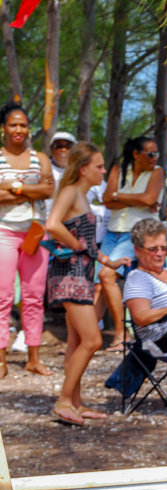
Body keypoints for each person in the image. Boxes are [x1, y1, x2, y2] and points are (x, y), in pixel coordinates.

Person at [43, 142, 128, 424]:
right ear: (84, 169)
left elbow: (89, 244)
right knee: (92, 340)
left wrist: (110, 262)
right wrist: (75, 244)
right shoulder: (69, 192)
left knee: (77, 341)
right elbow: (52, 224)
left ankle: (76, 403)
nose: (104, 170)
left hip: (81, 273)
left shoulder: (81, 196)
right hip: (69, 275)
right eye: (99, 166)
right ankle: (64, 401)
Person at [0, 101, 55, 379]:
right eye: (13, 124)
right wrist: (30, 191)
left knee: (34, 297)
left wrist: (14, 187)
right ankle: (1, 360)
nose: (18, 129)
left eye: (23, 124)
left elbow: (48, 190)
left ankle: (33, 357)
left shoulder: (41, 158)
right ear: (3, 128)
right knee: (3, 296)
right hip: (4, 232)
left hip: (35, 233)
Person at [99, 136, 164, 352]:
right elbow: (107, 200)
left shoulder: (157, 172)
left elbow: (149, 198)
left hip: (138, 233)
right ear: (136, 154)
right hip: (113, 231)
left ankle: (121, 334)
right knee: (100, 285)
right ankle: (87, 337)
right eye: (150, 154)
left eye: (156, 154)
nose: (155, 158)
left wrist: (118, 196)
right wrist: (140, 198)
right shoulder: (119, 169)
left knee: (107, 275)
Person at [122, 218, 167, 354]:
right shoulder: (138, 278)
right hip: (159, 342)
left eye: (164, 248)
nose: (160, 254)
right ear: (137, 250)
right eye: (153, 249)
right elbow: (141, 317)